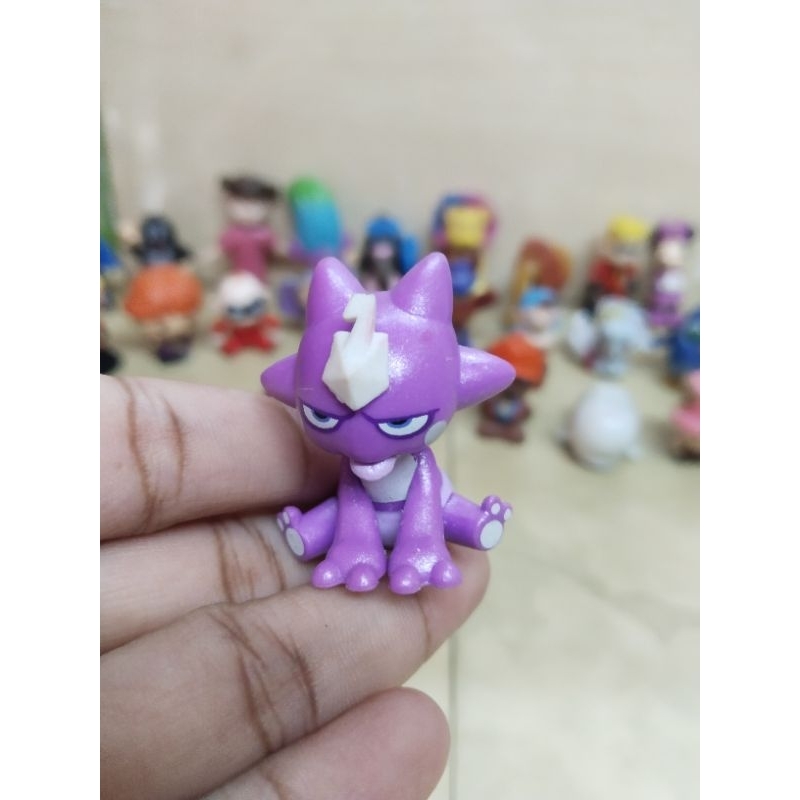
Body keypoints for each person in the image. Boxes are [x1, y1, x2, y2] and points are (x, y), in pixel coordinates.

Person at [100, 376, 489, 799]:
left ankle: (475, 526)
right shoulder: (351, 469)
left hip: (421, 518)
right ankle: (312, 535)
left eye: (399, 423)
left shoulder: (421, 468)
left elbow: (431, 504)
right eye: (325, 417)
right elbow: (350, 501)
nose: (363, 439)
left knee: (449, 512)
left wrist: (433, 543)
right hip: (363, 517)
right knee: (342, 506)